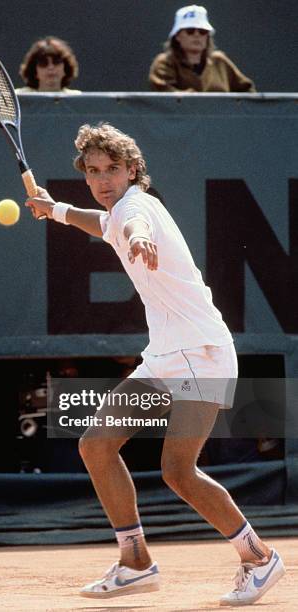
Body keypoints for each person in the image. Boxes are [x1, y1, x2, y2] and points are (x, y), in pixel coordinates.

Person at [26, 122, 285, 605]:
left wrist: (139, 238)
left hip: (201, 354)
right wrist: (56, 210)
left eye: (113, 170)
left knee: (178, 473)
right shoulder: (115, 208)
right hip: (168, 353)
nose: (103, 180)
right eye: (94, 171)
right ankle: (136, 561)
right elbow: (102, 223)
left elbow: (128, 223)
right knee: (97, 446)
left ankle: (259, 557)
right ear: (86, 175)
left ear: (132, 171)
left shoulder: (137, 206)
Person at [149, 5, 256, 92]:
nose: (197, 35)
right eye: (190, 31)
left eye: (202, 31)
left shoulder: (220, 62)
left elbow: (248, 91)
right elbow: (165, 97)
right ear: (177, 36)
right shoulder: (165, 63)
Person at [16, 36, 80, 94]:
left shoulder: (77, 98)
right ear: (34, 71)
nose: (51, 67)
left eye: (56, 62)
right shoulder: (17, 97)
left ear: (65, 68)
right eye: (43, 63)